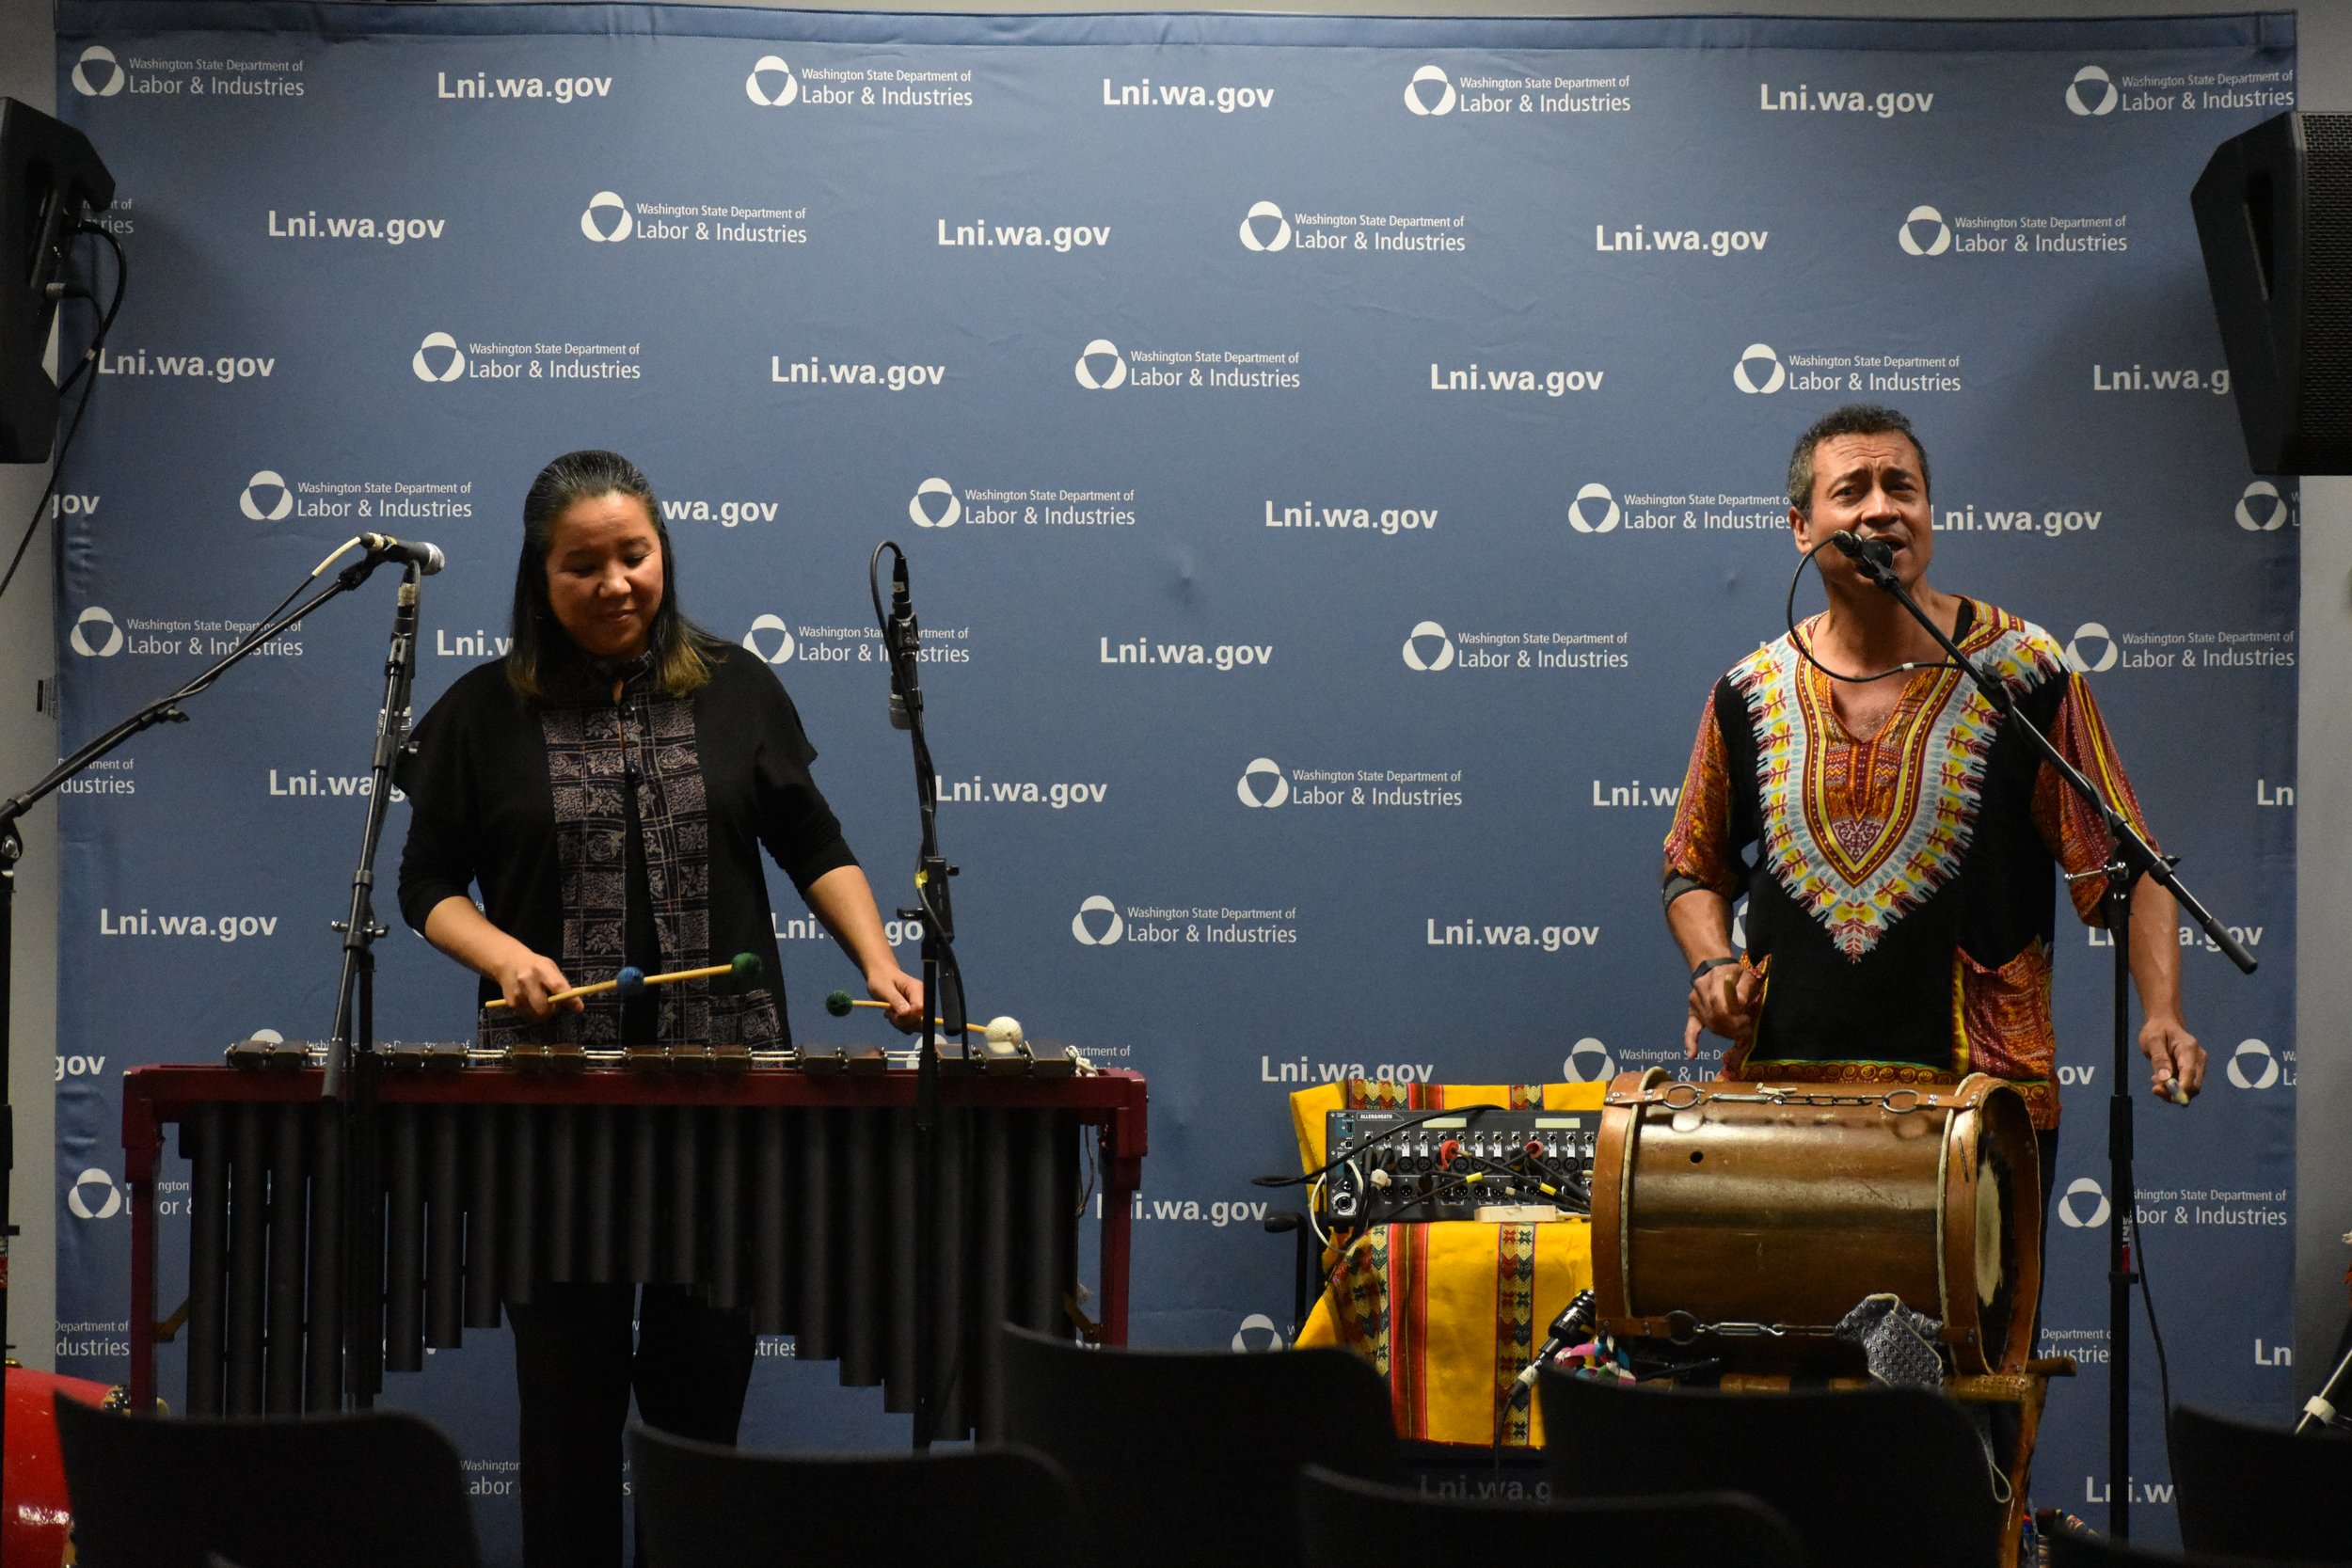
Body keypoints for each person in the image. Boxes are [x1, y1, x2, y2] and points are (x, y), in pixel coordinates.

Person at [396, 448, 922, 1567]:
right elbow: (424, 886)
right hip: (553, 1109)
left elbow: (812, 841)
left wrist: (877, 957)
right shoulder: (480, 712)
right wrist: (503, 952)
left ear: (664, 554)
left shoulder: (737, 686)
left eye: (633, 555)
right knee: (567, 1415)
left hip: (721, 1103)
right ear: (540, 577)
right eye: (582, 564)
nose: (615, 582)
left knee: (700, 1416)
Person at [1661, 404, 2204, 1190]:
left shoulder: (2021, 670)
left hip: (1977, 1107)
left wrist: (2163, 1011)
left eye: (1902, 487)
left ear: (1929, 513)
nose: (1882, 507)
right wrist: (1713, 962)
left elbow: (2129, 864)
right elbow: (1692, 865)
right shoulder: (1747, 692)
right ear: (1801, 527)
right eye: (1851, 490)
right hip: (1784, 1104)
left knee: (1972, 1318)